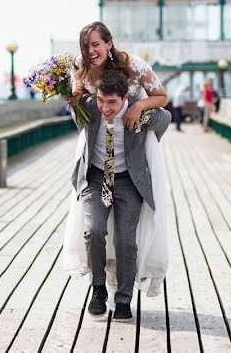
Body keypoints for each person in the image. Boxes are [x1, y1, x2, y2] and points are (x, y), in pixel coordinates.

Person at [61, 21, 171, 321]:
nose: (90, 50)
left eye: (95, 44)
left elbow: (163, 104)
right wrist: (71, 101)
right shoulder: (81, 71)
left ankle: (123, 299)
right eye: (86, 46)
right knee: (95, 230)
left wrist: (139, 108)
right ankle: (98, 290)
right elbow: (79, 114)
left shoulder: (133, 66)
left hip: (128, 176)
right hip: (96, 174)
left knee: (125, 239)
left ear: (109, 43)